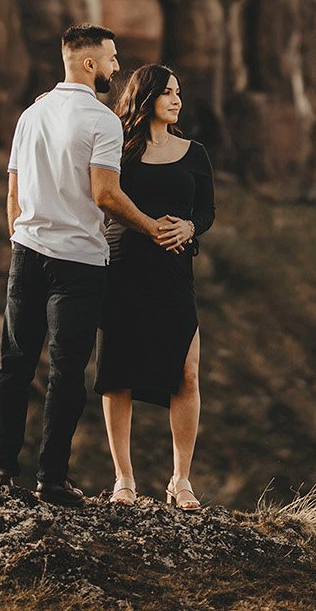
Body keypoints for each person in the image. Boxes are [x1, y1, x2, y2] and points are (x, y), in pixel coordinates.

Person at [0, 25, 183, 507]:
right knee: (66, 372)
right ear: (89, 64)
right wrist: (154, 228)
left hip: (27, 255)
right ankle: (51, 481)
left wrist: (22, 237)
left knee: (14, 366)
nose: (118, 68)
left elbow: (13, 193)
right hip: (78, 263)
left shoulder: (31, 115)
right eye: (112, 59)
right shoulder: (102, 121)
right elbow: (106, 194)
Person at [94, 64, 215, 512]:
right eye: (167, 92)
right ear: (145, 98)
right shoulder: (119, 147)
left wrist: (189, 227)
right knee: (117, 371)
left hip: (173, 271)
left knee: (186, 371)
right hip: (124, 266)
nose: (176, 99)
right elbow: (104, 197)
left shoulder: (194, 152)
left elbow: (207, 211)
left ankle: (180, 480)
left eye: (178, 92)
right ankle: (123, 479)